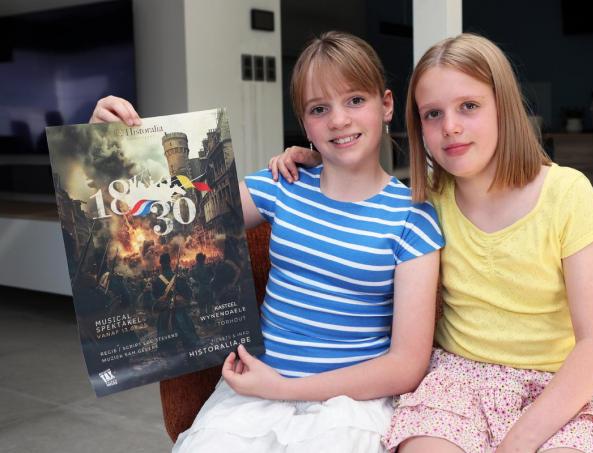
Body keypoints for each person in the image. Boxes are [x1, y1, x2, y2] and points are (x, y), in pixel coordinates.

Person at [270, 33, 593, 453]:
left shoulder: (568, 195)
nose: (451, 127)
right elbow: (363, 190)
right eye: (433, 114)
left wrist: (517, 443)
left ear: (504, 106)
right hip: (456, 383)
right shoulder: (425, 204)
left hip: (555, 388)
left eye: (469, 106)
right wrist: (320, 159)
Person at [89, 31, 443, 452]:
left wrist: (285, 389)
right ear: (305, 123)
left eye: (354, 100)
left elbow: (406, 365)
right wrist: (102, 144)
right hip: (254, 394)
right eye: (319, 108)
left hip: (350, 404)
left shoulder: (412, 216)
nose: (339, 120)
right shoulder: (283, 185)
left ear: (385, 105)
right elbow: (165, 222)